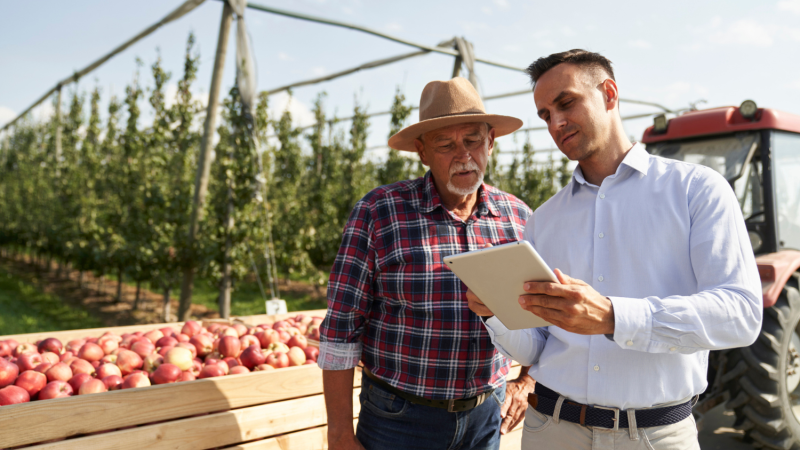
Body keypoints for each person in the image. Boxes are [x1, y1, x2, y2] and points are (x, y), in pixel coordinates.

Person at [467, 49, 763, 450]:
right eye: (544, 115)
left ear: (609, 93)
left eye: (565, 103)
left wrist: (612, 317)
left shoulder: (697, 190)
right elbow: (538, 346)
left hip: (655, 436)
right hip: (551, 431)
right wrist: (496, 314)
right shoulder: (544, 219)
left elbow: (741, 314)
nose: (555, 123)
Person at [318, 77, 536, 450]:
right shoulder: (379, 212)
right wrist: (338, 433)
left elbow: (542, 315)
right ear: (421, 151)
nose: (463, 155)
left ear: (491, 142)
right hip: (399, 418)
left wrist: (526, 380)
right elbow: (341, 328)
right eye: (446, 145)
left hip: (486, 418)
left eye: (472, 141)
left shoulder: (518, 218)